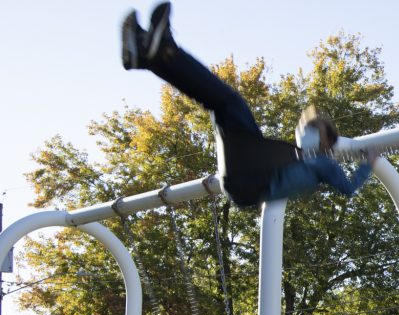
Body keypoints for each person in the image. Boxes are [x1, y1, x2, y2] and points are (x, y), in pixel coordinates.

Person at [121, 3, 377, 208]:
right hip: (244, 177)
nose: (303, 132)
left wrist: (368, 162)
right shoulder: (288, 156)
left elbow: (348, 188)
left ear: (326, 142)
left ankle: (163, 52)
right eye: (304, 127)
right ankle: (152, 57)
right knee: (219, 104)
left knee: (232, 103)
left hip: (254, 180)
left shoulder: (324, 164)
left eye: (311, 129)